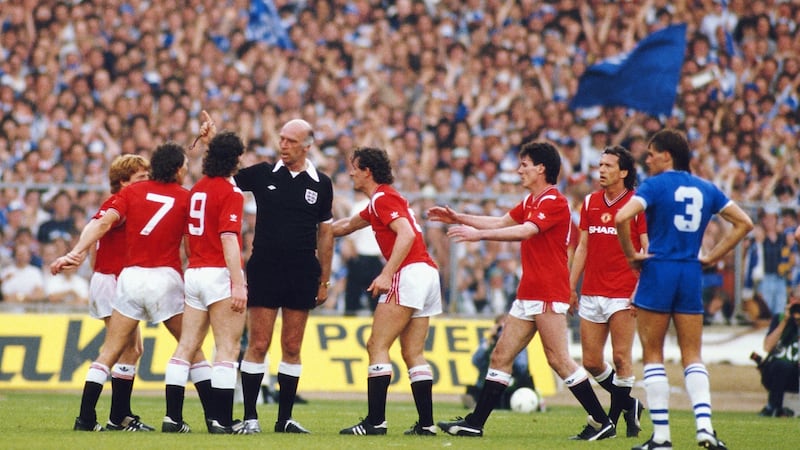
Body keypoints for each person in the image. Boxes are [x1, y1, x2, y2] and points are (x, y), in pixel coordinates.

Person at [429, 141, 616, 440]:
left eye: (524, 164)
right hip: (529, 291)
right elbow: (503, 221)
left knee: (559, 359)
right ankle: (475, 423)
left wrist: (479, 235)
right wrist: (459, 217)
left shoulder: (554, 201)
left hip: (547, 291)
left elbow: (526, 231)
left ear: (541, 168)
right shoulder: (532, 201)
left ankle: (601, 421)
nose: (519, 170)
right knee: (500, 356)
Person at [51, 142, 212, 432]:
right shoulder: (182, 197)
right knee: (190, 346)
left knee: (122, 350)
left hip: (127, 278)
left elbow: (98, 228)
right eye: (138, 175)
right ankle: (210, 417)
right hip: (147, 277)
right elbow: (190, 243)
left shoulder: (130, 195)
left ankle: (99, 418)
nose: (144, 179)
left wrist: (77, 252)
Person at [615, 129, 753, 450]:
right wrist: (712, 257)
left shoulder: (654, 185)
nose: (646, 160)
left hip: (659, 269)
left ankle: (662, 437)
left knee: (653, 355)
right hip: (691, 271)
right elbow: (745, 223)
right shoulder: (706, 188)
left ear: (667, 155)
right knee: (693, 355)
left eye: (651, 153)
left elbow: (622, 216)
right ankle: (705, 429)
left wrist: (631, 254)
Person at [333, 147, 442, 436]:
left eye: (354, 167)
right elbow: (345, 226)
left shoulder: (382, 197)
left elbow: (405, 234)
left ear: (367, 171)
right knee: (413, 352)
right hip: (428, 274)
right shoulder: (381, 201)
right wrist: (311, 228)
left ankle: (375, 422)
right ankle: (427, 424)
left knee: (376, 345)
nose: (351, 172)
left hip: (409, 273)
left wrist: (386, 273)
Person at [233, 118, 333, 434]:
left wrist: (324, 280)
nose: (283, 145)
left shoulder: (321, 183)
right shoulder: (263, 174)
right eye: (282, 139)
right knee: (258, 343)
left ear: (307, 145)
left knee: (292, 345)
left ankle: (284, 419)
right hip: (264, 268)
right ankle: (250, 417)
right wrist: (211, 142)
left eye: (290, 141)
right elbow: (223, 177)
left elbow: (326, 234)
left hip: (302, 271)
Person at [163, 114, 251, 434]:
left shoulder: (197, 188)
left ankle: (172, 418)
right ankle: (222, 421)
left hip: (195, 271)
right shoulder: (232, 192)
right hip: (217, 274)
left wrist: (211, 139)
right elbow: (229, 237)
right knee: (227, 348)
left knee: (186, 346)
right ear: (235, 160)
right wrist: (238, 282)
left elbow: (188, 236)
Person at [569, 145, 648, 438]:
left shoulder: (637, 203)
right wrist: (571, 286)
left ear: (624, 172)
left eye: (608, 165)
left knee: (620, 358)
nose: (601, 170)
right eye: (600, 165)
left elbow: (646, 247)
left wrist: (641, 288)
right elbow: (583, 247)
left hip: (623, 292)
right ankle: (630, 405)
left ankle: (610, 424)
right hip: (591, 291)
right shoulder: (589, 202)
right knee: (590, 361)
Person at [84, 154, 152, 431]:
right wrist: (97, 268)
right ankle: (88, 417)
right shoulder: (118, 203)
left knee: (133, 349)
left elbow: (94, 235)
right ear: (123, 181)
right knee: (116, 350)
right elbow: (96, 228)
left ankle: (119, 416)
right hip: (111, 282)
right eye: (140, 178)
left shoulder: (123, 204)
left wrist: (96, 265)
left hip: (111, 279)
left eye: (148, 177)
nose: (146, 182)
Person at [463, 313, 535, 410]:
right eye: (500, 328)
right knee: (473, 389)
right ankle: (474, 401)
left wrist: (511, 347)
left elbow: (522, 367)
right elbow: (476, 361)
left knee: (525, 386)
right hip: (488, 383)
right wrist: (488, 342)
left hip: (511, 385)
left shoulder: (519, 343)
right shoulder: (487, 342)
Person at [341, 189, 384, 315]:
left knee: (352, 299)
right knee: (375, 303)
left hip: (360, 257)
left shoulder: (358, 207)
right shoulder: (378, 207)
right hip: (376, 260)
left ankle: (348, 325)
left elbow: (351, 236)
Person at [755, 298, 800, 417]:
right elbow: (768, 347)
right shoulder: (779, 319)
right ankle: (773, 407)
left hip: (796, 375)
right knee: (781, 365)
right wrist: (784, 321)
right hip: (775, 373)